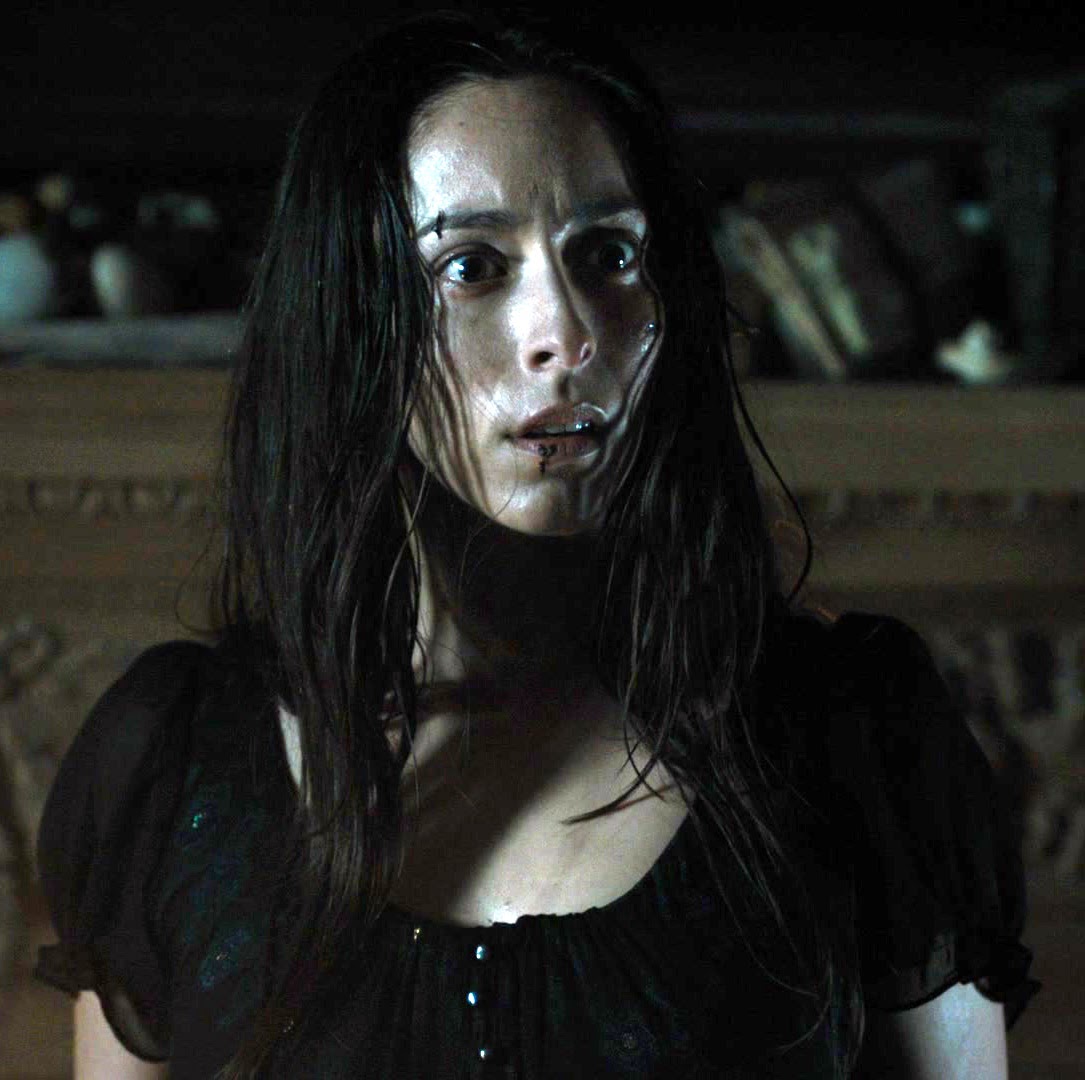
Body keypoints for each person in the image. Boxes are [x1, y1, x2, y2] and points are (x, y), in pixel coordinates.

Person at [34, 10, 1037, 1078]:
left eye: (608, 254)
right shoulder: (173, 764)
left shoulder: (854, 733)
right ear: (347, 315)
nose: (566, 332)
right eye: (470, 265)